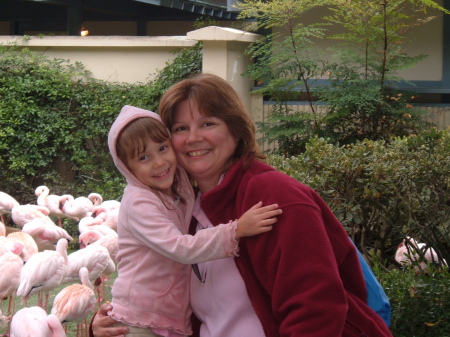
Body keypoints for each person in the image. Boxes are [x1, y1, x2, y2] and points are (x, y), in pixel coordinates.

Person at [92, 74, 393, 337]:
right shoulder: (188, 213)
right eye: (181, 128)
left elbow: (316, 307)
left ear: (235, 130)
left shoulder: (273, 197)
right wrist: (116, 323)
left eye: (207, 123)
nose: (193, 138)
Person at [100, 104, 282, 337]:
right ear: (126, 167)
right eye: (143, 157)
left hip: (164, 316)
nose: (159, 162)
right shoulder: (139, 203)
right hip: (140, 319)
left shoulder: (178, 188)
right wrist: (235, 231)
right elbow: (180, 246)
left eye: (163, 148)